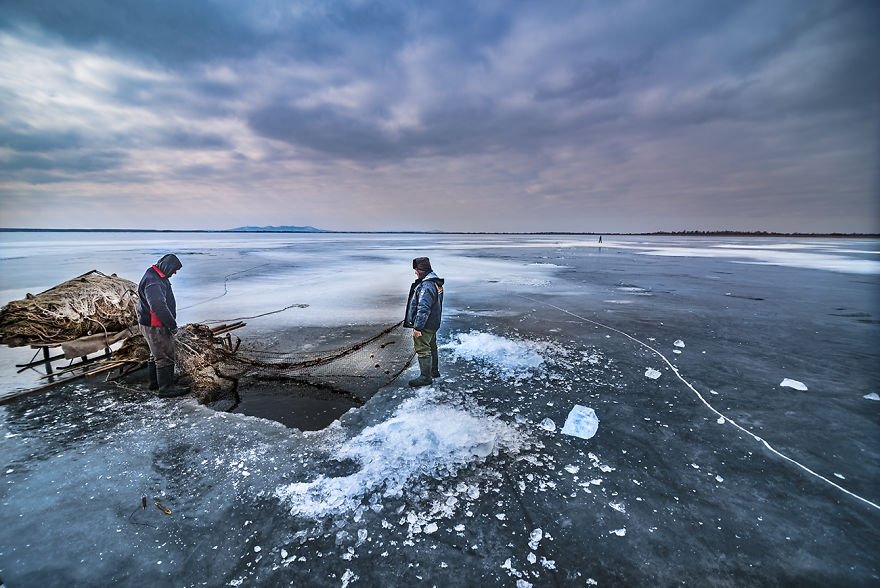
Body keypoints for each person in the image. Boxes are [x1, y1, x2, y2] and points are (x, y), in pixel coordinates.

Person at [137, 254, 188, 397]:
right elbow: (158, 307)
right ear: (167, 266)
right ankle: (166, 388)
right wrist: (172, 325)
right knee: (165, 355)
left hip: (148, 323)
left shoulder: (154, 273)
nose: (175, 273)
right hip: (155, 325)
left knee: (155, 354)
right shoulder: (154, 281)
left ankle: (154, 384)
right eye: (174, 269)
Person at [404, 257, 444, 387]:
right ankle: (434, 372)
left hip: (425, 325)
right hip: (434, 323)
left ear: (421, 270)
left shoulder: (426, 286)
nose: (415, 272)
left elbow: (423, 308)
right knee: (432, 346)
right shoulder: (435, 282)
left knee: (422, 348)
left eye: (416, 269)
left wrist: (418, 327)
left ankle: (425, 377)